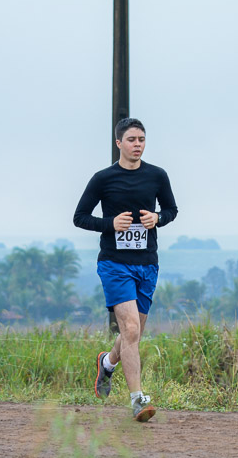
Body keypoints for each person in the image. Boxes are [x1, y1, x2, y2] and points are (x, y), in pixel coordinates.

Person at [73, 118, 178, 422]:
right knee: (130, 330)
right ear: (118, 143)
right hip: (114, 264)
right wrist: (110, 224)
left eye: (141, 139)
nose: (137, 144)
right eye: (131, 139)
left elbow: (172, 210)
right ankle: (137, 400)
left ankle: (107, 362)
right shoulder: (103, 179)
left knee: (134, 333)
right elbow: (79, 217)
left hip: (147, 264)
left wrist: (158, 218)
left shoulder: (157, 176)